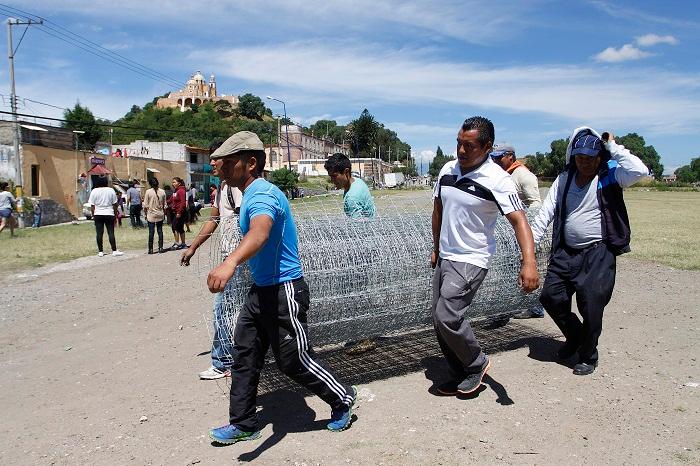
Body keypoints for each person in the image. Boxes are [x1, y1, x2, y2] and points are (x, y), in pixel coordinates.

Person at [205, 131, 356, 444]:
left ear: (250, 164)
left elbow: (260, 232)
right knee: (244, 355)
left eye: (227, 162)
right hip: (261, 291)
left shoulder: (262, 195)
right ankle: (244, 422)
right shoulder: (250, 193)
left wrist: (230, 262)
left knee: (292, 359)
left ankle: (341, 398)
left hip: (284, 291)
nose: (218, 166)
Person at [431, 116, 539, 396]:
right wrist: (436, 247)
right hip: (446, 256)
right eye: (458, 143)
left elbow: (520, 222)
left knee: (447, 316)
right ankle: (462, 373)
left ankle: (476, 363)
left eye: (469, 146)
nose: (461, 151)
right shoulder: (447, 170)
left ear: (487, 146)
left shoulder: (498, 180)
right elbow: (438, 209)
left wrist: (529, 262)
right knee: (439, 319)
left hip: (471, 259)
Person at [531, 127, 648, 376]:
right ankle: (576, 337)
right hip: (566, 252)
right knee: (551, 297)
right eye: (580, 158)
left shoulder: (611, 175)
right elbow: (545, 214)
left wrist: (613, 146)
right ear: (573, 157)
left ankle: (588, 355)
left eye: (590, 159)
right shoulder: (564, 178)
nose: (584, 163)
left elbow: (640, 170)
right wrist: (529, 249)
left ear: (599, 157)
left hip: (598, 253)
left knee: (591, 304)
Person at [181, 143, 243, 380]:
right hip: (232, 258)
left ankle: (223, 362)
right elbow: (213, 219)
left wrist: (234, 260)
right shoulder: (225, 187)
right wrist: (193, 247)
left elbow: (244, 224)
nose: (212, 164)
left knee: (223, 310)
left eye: (216, 159)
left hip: (238, 260)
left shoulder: (237, 188)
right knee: (235, 310)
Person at [490, 143, 545, 319]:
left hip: (521, 231)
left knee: (527, 268)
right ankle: (510, 305)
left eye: (499, 157)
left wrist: (527, 228)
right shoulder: (501, 175)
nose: (496, 160)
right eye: (494, 157)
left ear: (510, 157)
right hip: (506, 232)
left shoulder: (524, 175)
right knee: (508, 269)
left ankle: (535, 308)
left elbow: (535, 203)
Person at [324, 153, 376, 218]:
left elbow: (357, 226)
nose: (332, 180)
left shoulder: (352, 198)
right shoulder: (357, 181)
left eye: (334, 176)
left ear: (346, 172)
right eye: (330, 176)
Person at [87, 176, 124, 257]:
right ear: (106, 182)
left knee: (99, 233)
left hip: (98, 214)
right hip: (109, 213)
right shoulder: (110, 190)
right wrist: (115, 215)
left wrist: (93, 215)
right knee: (111, 232)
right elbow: (115, 204)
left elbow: (92, 206)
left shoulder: (94, 191)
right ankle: (114, 250)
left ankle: (100, 251)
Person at [143, 177, 166, 254]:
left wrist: (145, 214)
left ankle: (150, 249)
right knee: (160, 231)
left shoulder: (148, 192)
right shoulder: (162, 192)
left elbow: (145, 205)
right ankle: (161, 247)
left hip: (151, 214)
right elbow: (165, 205)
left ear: (150, 184)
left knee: (151, 232)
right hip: (160, 214)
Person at [169, 177, 188, 250]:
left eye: (174, 182)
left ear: (179, 183)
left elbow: (183, 203)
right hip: (175, 211)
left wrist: (179, 212)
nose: (173, 184)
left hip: (180, 212)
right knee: (179, 227)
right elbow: (170, 200)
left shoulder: (181, 191)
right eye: (172, 182)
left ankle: (177, 243)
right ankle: (183, 244)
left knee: (175, 227)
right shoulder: (176, 191)